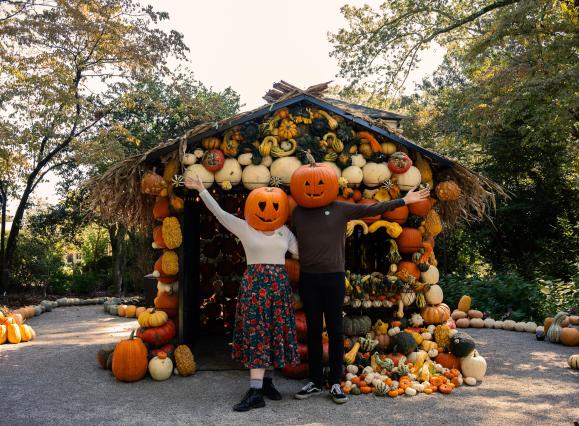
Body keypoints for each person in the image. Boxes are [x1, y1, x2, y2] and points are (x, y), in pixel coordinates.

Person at [291, 184, 430, 404]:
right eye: (307, 184)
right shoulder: (298, 211)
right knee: (314, 331)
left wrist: (404, 201)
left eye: (319, 183)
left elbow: (373, 208)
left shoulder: (340, 209)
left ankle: (335, 382)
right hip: (308, 278)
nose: (314, 188)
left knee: (336, 331)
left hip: (333, 278)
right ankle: (316, 380)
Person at [185, 175, 300, 412]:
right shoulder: (245, 227)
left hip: (278, 287)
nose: (268, 211)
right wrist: (202, 190)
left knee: (272, 331)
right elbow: (220, 214)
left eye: (275, 206)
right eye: (262, 205)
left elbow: (300, 252)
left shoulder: (284, 232)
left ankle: (267, 383)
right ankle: (255, 391)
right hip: (255, 287)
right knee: (257, 332)